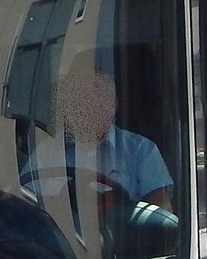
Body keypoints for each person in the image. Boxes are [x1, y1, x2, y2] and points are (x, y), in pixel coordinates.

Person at [55, 56, 173, 212]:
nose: (86, 108)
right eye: (79, 99)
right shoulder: (47, 153)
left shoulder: (141, 150)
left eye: (94, 98)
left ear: (113, 105)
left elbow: (161, 214)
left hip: (122, 235)